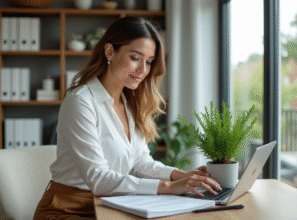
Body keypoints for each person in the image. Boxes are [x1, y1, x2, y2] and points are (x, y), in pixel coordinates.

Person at [33, 16, 222, 220]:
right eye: (135, 58)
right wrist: (167, 186)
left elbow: (140, 163)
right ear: (109, 51)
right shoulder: (80, 102)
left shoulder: (130, 103)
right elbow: (98, 178)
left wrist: (182, 175)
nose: (143, 70)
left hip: (112, 204)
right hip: (67, 209)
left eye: (149, 62)